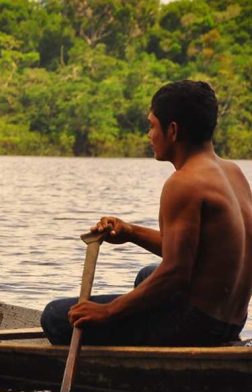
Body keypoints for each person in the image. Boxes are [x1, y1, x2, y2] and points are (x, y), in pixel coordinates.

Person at [41, 80, 252, 347]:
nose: (149, 135)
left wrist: (107, 311)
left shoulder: (184, 183)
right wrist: (131, 232)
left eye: (152, 125)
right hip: (230, 320)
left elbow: (176, 274)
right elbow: (191, 253)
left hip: (197, 326)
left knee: (55, 317)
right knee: (146, 275)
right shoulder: (233, 173)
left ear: (172, 130)